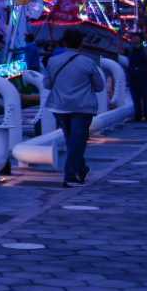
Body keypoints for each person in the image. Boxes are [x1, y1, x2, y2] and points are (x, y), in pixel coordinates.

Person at [45, 31, 104, 186]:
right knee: (78, 141)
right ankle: (69, 175)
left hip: (60, 106)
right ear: (81, 43)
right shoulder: (88, 62)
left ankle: (81, 168)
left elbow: (46, 84)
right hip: (83, 106)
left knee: (71, 141)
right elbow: (99, 86)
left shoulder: (52, 61)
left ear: (64, 43)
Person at [124, 42, 147, 122]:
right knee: (138, 97)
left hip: (143, 76)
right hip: (135, 77)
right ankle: (141, 115)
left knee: (145, 97)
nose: (134, 40)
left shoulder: (145, 50)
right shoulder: (130, 50)